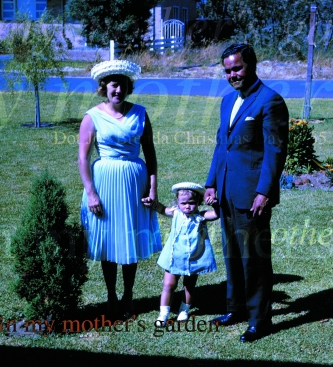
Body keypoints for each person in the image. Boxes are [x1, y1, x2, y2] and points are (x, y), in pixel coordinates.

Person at [204, 43, 289, 342]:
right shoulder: (227, 101)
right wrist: (211, 183)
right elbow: (221, 146)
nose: (232, 75)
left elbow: (275, 152)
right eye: (227, 71)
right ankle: (236, 308)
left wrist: (264, 192)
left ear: (251, 65)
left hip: (252, 195)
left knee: (254, 258)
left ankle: (259, 320)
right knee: (232, 255)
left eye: (237, 68)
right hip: (227, 191)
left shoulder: (270, 101)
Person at [79, 59, 162, 317]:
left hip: (133, 183)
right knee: (108, 240)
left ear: (129, 87)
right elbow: (83, 158)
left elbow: (150, 153)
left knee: (130, 239)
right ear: (104, 87)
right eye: (114, 86)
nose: (118, 91)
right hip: (104, 183)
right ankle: (111, 295)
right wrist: (91, 193)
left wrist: (153, 188)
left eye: (123, 86)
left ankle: (128, 295)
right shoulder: (92, 117)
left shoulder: (140, 113)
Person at [144, 182, 219, 326]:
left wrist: (214, 204)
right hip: (174, 257)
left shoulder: (201, 216)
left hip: (194, 258)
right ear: (177, 203)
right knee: (168, 284)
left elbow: (216, 214)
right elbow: (160, 208)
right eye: (183, 203)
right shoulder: (176, 213)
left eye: (191, 202)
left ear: (198, 202)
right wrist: (151, 203)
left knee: (189, 285)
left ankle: (184, 309)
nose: (187, 206)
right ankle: (163, 314)